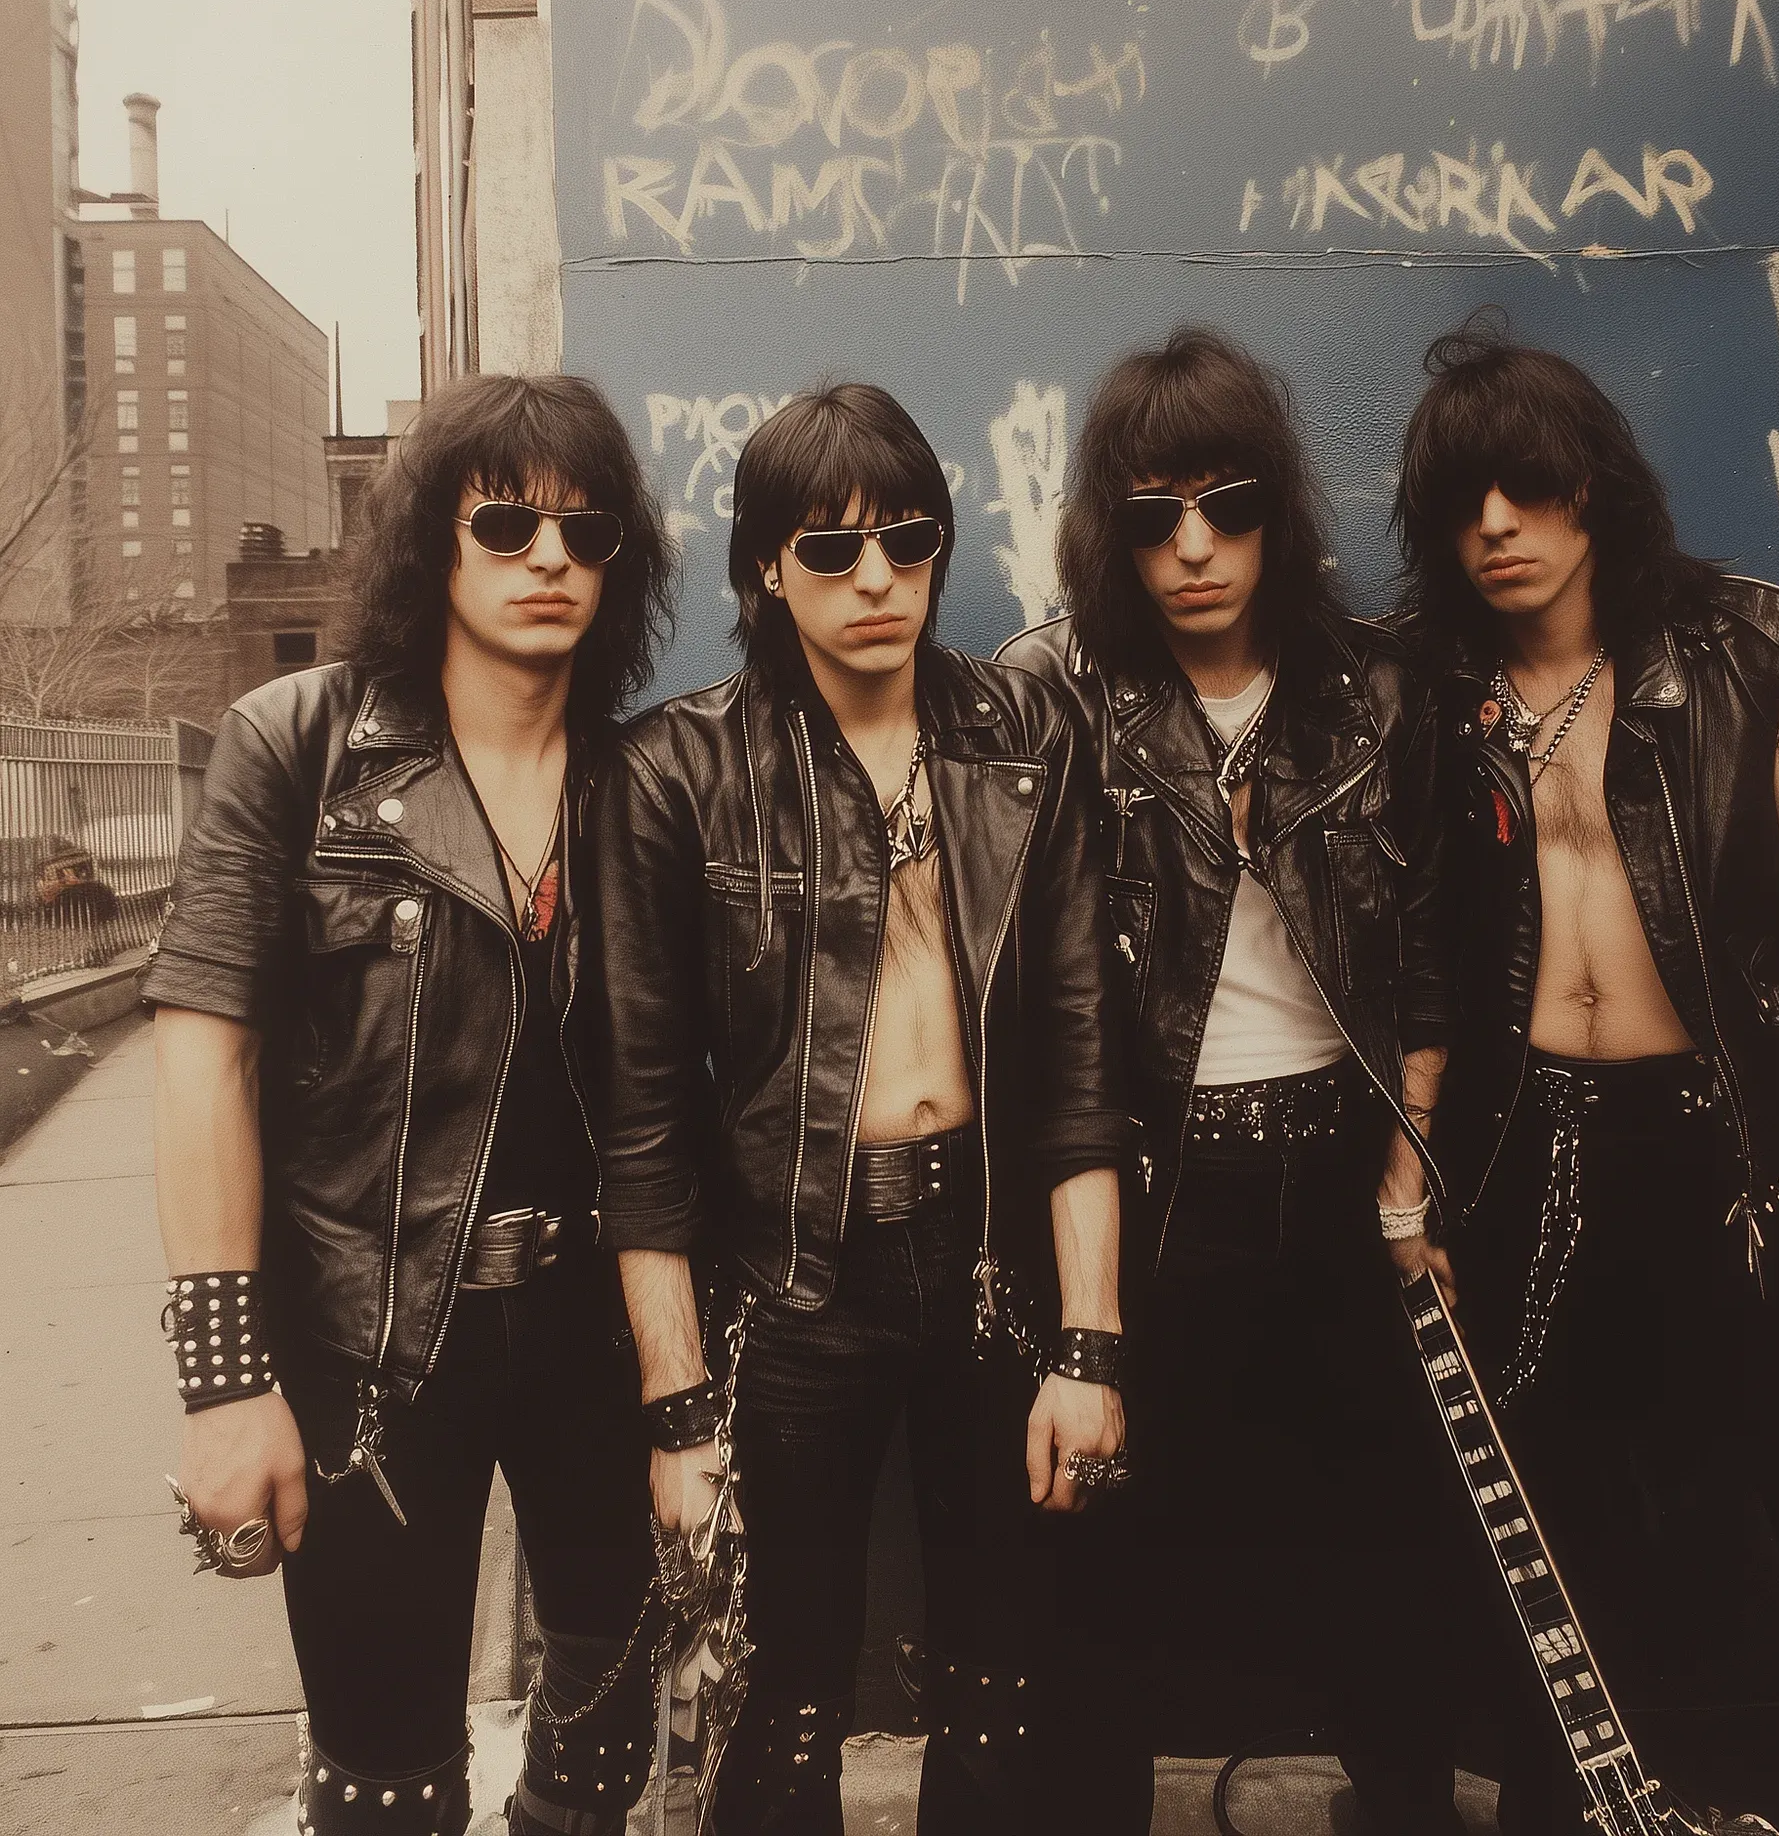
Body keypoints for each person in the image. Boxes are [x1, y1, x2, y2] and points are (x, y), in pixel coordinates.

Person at [1394, 313, 1779, 1834]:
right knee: (1551, 1587)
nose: (1496, 530)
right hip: (1527, 1169)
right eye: (1463, 506)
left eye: (1525, 490)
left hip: (1732, 1170)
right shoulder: (1426, 694)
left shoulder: (1757, 651)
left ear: (1594, 486)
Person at [588, 382, 1129, 1834]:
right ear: (766, 567)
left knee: (1005, 1679)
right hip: (787, 1286)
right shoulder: (673, 772)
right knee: (786, 1697)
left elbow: (1081, 1063)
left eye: (908, 540)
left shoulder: (1027, 733)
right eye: (828, 551)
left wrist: (1088, 1343)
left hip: (991, 1267)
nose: (876, 579)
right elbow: (638, 1123)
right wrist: (680, 1410)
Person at [145, 374, 674, 1836]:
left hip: (596, 1341)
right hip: (368, 1352)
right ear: (430, 547)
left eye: (588, 529)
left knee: (602, 1749)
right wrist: (222, 1381)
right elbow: (205, 1056)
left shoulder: (643, 781)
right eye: (506, 525)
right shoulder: (299, 745)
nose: (551, 558)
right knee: (385, 1780)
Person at [1000, 327, 1467, 1836]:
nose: (1193, 549)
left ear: (1277, 509)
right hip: (1149, 1188)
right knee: (1102, 1572)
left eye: (1226, 505)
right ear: (1106, 532)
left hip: (1339, 1173)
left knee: (1387, 1552)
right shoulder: (1054, 696)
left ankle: (1392, 1801)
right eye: (1149, 517)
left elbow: (1438, 960)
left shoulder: (1377, 690)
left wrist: (1405, 1192)